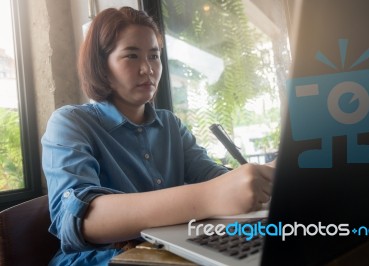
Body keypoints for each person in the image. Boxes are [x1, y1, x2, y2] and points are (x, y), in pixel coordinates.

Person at [41, 6, 274, 266]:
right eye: (131, 56)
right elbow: (79, 221)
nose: (147, 69)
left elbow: (215, 178)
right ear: (102, 66)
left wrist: (266, 174)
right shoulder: (70, 122)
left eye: (154, 56)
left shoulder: (170, 124)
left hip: (169, 253)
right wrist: (209, 197)